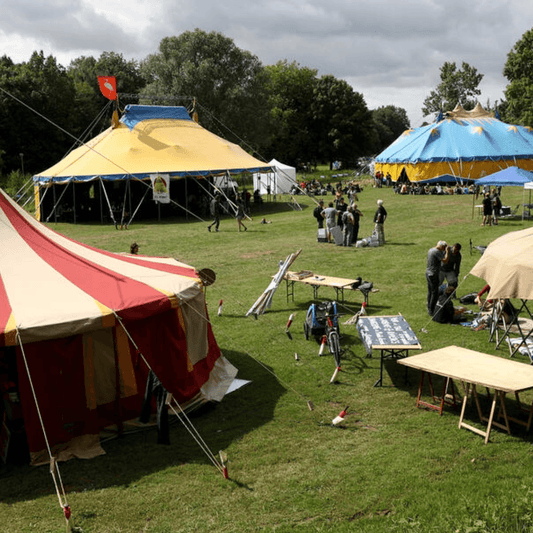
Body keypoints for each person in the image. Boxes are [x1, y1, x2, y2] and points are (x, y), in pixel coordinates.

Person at [426, 241, 450, 316]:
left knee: (430, 291)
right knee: (435, 293)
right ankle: (432, 310)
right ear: (442, 247)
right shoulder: (437, 252)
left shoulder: (431, 250)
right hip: (434, 274)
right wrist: (447, 252)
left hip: (428, 273)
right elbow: (445, 261)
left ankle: (429, 306)